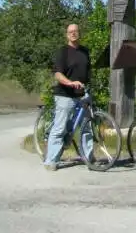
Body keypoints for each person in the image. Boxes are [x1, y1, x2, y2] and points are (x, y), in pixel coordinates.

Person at [44, 22, 91, 171]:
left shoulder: (85, 51)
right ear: (67, 35)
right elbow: (58, 73)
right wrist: (70, 83)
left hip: (82, 94)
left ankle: (89, 158)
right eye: (70, 32)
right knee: (60, 127)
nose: (73, 33)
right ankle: (51, 161)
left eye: (76, 31)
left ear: (79, 33)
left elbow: (88, 72)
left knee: (87, 127)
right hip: (65, 94)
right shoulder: (63, 52)